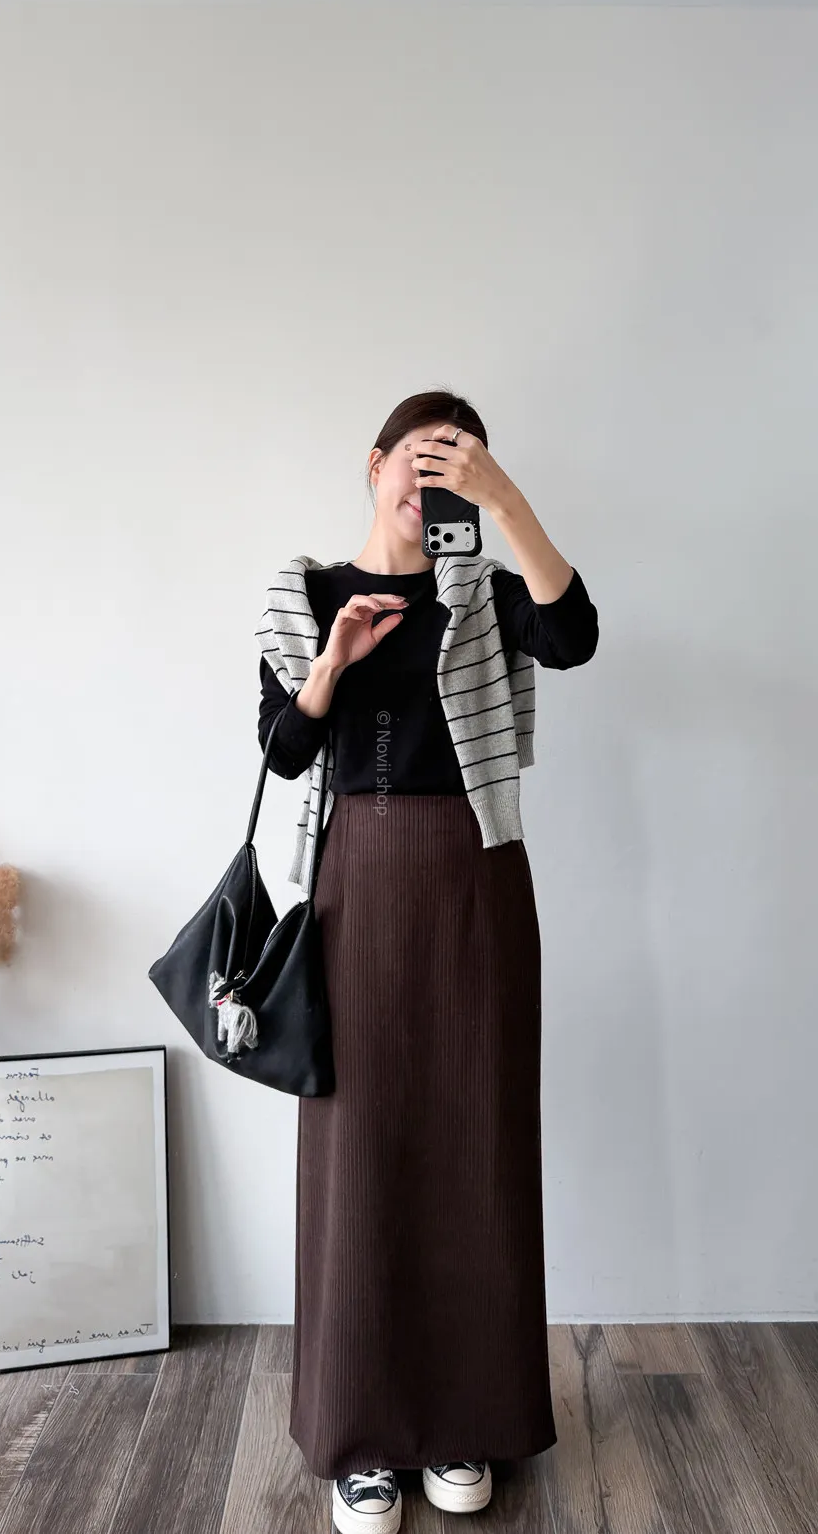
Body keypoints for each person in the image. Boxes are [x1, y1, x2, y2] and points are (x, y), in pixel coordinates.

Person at [255, 390, 599, 1534]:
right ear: (375, 466)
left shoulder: (488, 591)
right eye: (421, 458)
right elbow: (284, 751)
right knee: (359, 1149)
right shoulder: (304, 592)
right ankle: (360, 1438)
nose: (434, 480)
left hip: (476, 877)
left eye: (460, 465)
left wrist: (509, 505)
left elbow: (575, 638)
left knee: (475, 1143)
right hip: (351, 884)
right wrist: (334, 663)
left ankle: (465, 1420)